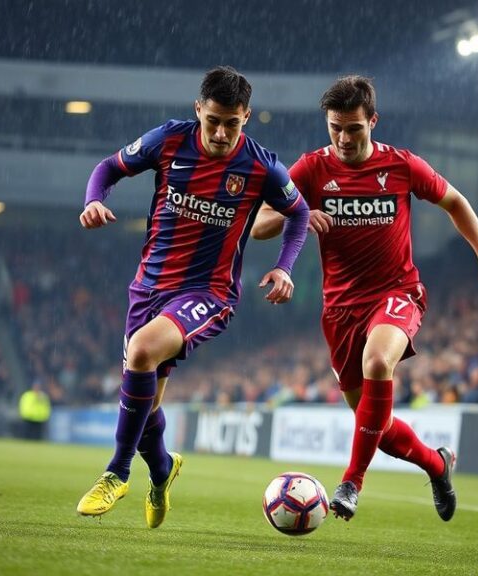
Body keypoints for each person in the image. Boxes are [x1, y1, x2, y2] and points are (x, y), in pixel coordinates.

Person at [251, 75, 478, 522]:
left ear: (373, 121)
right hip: (340, 311)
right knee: (378, 426)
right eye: (335, 127)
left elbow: (456, 202)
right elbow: (259, 222)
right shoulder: (312, 169)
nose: (344, 137)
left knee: (378, 362)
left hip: (397, 293)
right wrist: (298, 212)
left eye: (354, 128)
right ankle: (437, 463)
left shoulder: (403, 165)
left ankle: (351, 481)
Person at [76, 66, 309, 528]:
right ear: (197, 110)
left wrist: (284, 267)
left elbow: (298, 213)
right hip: (148, 287)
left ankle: (116, 473)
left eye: (233, 123)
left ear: (247, 116)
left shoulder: (261, 166)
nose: (222, 133)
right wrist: (92, 199)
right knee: (147, 404)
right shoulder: (168, 141)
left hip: (209, 291)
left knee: (142, 351)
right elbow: (108, 168)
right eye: (213, 121)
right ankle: (162, 469)